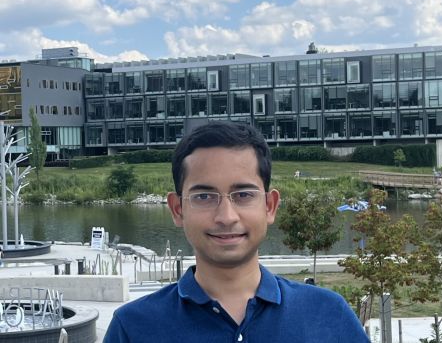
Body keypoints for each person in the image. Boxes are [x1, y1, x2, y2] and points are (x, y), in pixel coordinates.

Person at [104, 121, 370, 342]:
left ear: (269, 206)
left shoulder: (328, 315)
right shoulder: (133, 328)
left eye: (243, 194)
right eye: (204, 196)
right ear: (177, 209)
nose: (226, 217)